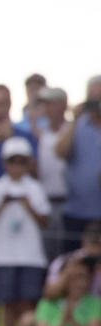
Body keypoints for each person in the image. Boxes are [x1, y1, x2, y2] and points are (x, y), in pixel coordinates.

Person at [0, 137, 50, 326]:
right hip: (3, 256)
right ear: (5, 163)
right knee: (7, 303)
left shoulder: (36, 188)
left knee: (27, 303)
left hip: (31, 256)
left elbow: (45, 220)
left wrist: (28, 206)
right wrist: (2, 204)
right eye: (12, 161)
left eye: (21, 161)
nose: (17, 166)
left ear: (28, 163)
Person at [55, 76, 101, 254]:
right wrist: (75, 119)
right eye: (93, 98)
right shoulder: (76, 124)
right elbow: (60, 152)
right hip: (76, 212)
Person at [33, 87, 71, 259]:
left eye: (50, 103)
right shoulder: (40, 132)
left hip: (69, 202)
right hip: (44, 202)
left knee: (67, 252)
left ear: (62, 105)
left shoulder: (72, 129)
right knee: (46, 253)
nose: (46, 108)